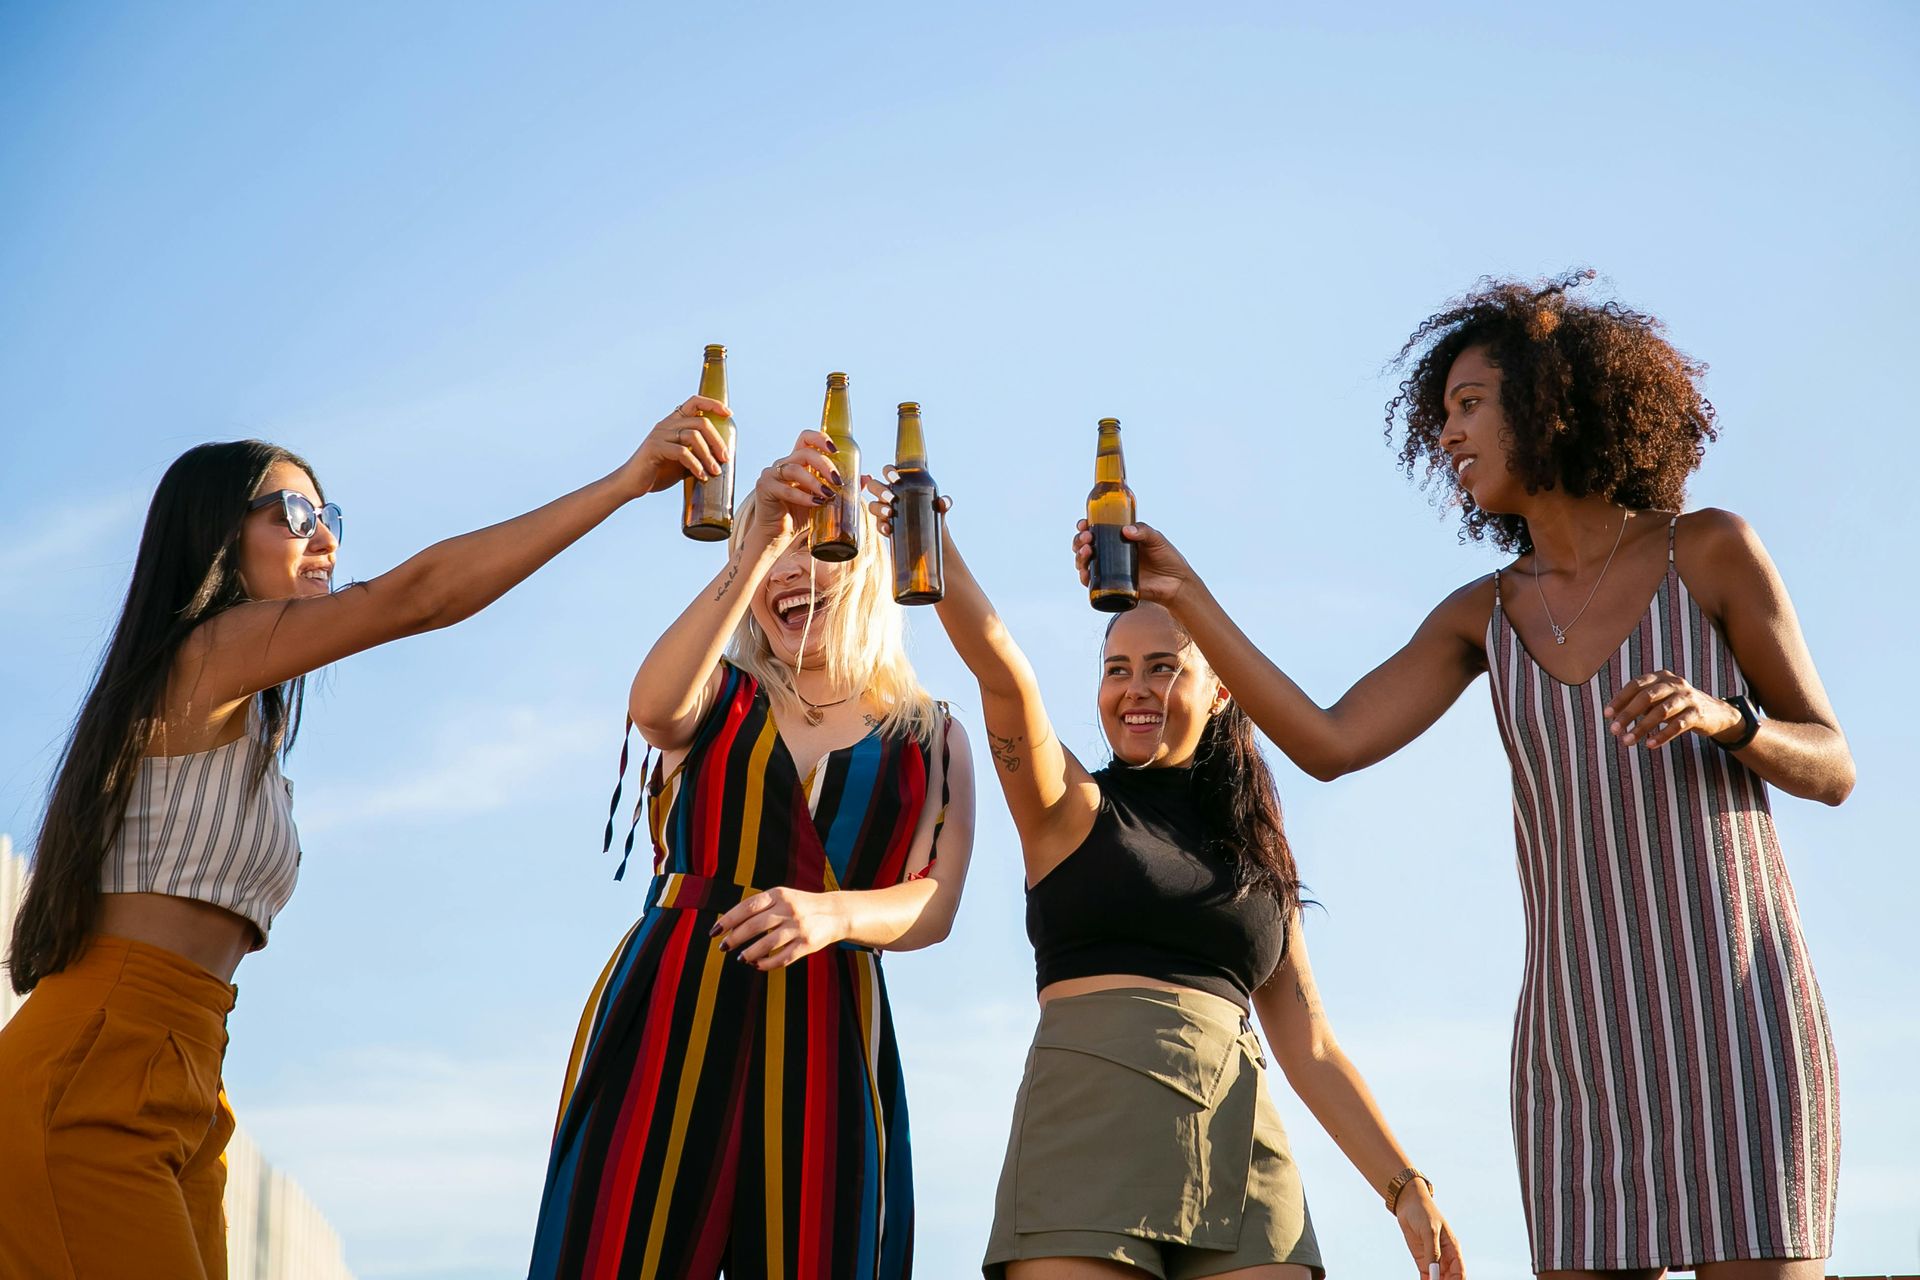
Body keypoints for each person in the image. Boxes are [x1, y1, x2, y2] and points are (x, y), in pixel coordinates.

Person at [1077, 273, 1850, 1280]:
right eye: (1440, 415)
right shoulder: (1479, 614)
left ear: (1551, 399)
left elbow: (1831, 762)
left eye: (1470, 404)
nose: (1448, 434)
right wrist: (1189, 592)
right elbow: (1326, 737)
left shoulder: (1707, 552)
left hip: (1738, 1022)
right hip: (1579, 1049)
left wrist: (1728, 718)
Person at [0, 403, 733, 1279]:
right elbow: (420, 597)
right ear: (216, 535)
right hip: (99, 1067)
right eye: (294, 516)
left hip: (186, 1076)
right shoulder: (200, 656)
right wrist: (623, 485)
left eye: (330, 519)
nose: (325, 541)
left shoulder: (247, 730)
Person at [863, 477, 1464, 1280]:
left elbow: (1311, 1045)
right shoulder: (1070, 808)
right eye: (1116, 670)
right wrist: (931, 542)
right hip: (1087, 1128)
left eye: (1162, 668)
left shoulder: (1259, 852)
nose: (1135, 690)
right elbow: (1005, 675)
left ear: (1220, 690)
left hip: (1240, 1138)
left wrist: (1404, 1188)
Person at [528, 428, 975, 1280]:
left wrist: (829, 914)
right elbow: (653, 708)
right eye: (777, 548)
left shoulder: (930, 733)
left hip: (829, 1026)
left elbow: (935, 903)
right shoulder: (716, 692)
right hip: (671, 1007)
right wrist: (757, 536)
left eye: (817, 547)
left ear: (868, 558)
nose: (790, 573)